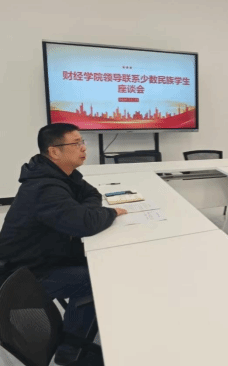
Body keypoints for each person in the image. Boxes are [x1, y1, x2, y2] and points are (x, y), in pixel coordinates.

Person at [0, 123, 127, 365]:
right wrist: (109, 213)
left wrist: (83, 213)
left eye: (82, 142)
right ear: (54, 151)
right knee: (97, 278)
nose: (83, 148)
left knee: (101, 263)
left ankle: (79, 332)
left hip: (47, 256)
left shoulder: (61, 174)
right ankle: (71, 351)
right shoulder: (44, 187)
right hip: (25, 273)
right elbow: (86, 224)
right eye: (76, 143)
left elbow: (92, 195)